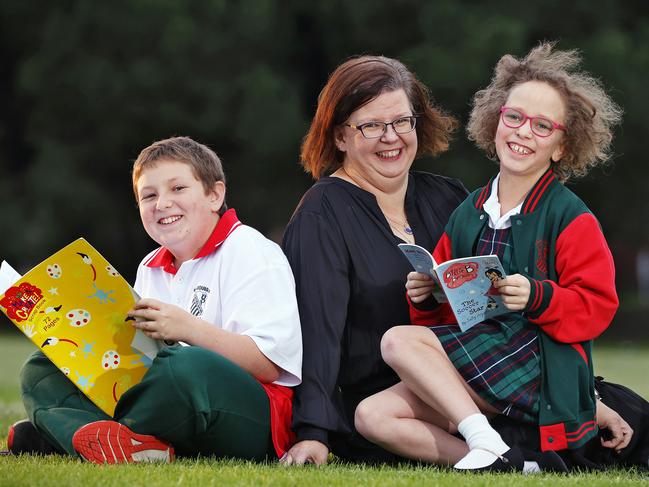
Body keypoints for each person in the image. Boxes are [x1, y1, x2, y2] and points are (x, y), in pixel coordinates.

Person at [354, 42, 629, 472]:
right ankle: (510, 464)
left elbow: (598, 306)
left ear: (561, 146)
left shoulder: (572, 217)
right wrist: (429, 297)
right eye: (515, 117)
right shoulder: (469, 212)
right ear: (495, 121)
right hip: (480, 365)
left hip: (538, 367)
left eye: (542, 126)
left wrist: (538, 296)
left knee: (396, 340)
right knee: (371, 416)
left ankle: (483, 438)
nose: (522, 132)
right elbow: (446, 324)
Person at [13, 136, 302, 463]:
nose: (162, 203)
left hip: (252, 415)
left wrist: (188, 329)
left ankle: (65, 433)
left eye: (178, 189)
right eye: (148, 196)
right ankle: (131, 443)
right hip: (169, 399)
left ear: (214, 195)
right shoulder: (150, 266)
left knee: (185, 364)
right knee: (42, 366)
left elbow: (268, 364)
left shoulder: (252, 250)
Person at [280, 55, 469, 465]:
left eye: (402, 121)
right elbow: (316, 331)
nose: (391, 137)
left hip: (469, 387)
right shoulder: (322, 213)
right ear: (340, 137)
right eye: (371, 126)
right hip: (381, 411)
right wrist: (314, 431)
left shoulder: (450, 197)